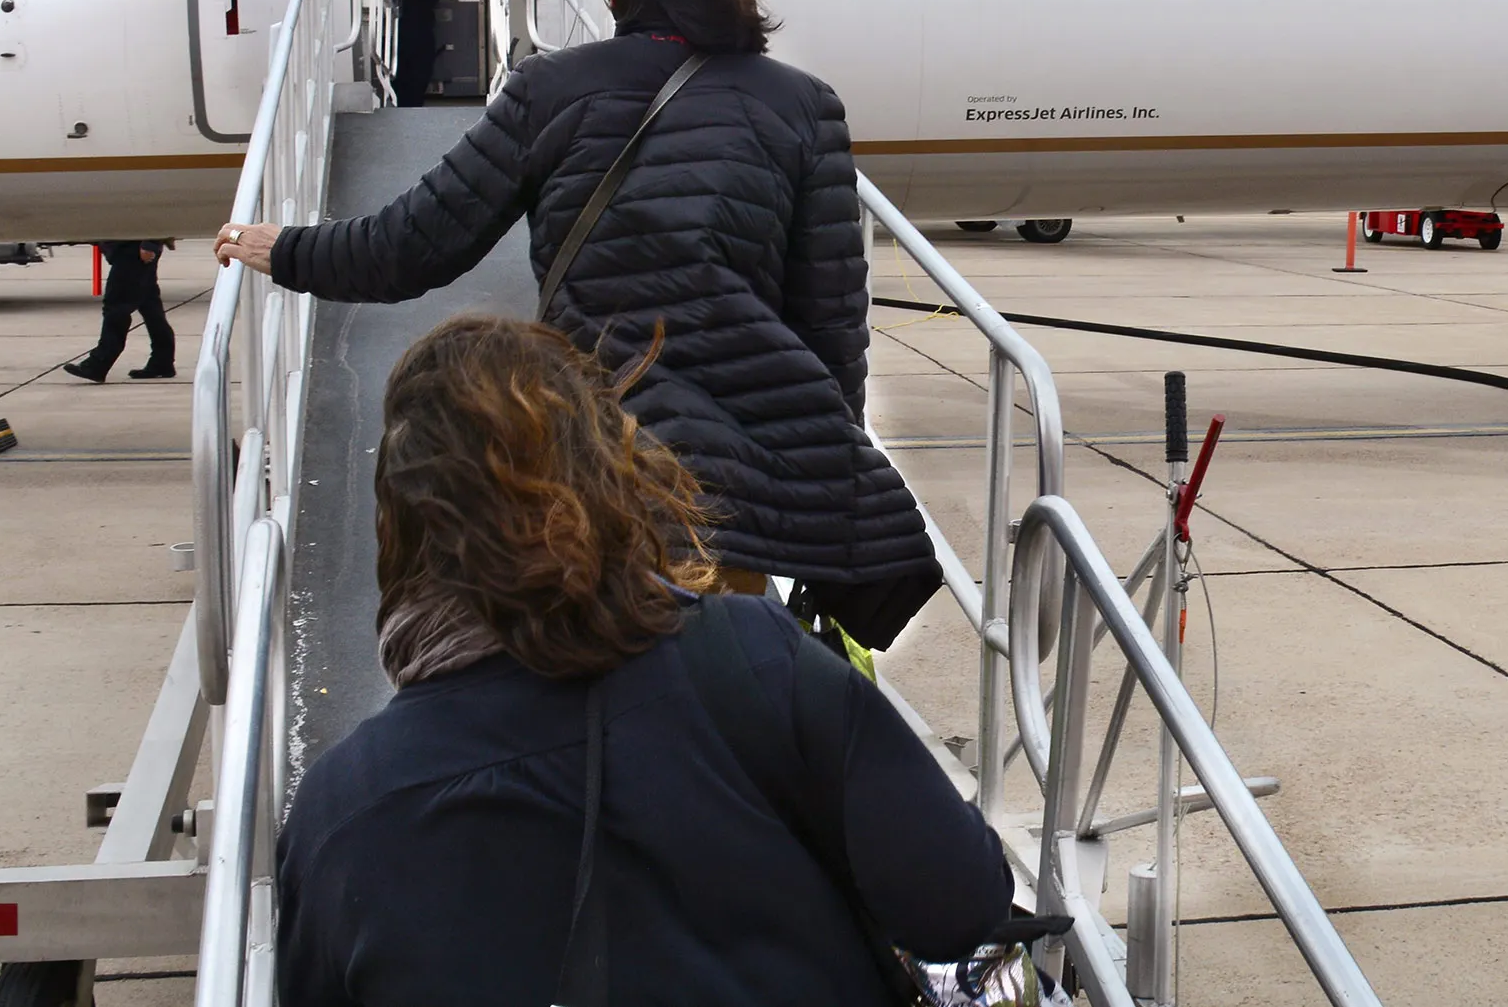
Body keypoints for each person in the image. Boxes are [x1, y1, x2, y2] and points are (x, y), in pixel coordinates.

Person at [214, 0, 942, 649]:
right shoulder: (805, 108)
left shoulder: (549, 91)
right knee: (727, 709)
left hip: (596, 475)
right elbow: (833, 337)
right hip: (736, 508)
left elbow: (411, 246)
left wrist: (282, 248)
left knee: (604, 700)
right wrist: (818, 486)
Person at [274, 315, 1014, 1006]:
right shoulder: (749, 661)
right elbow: (962, 903)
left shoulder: (343, 812)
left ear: (395, 533)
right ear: (610, 478)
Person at [65, 240, 174, 382]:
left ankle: (99, 362)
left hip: (132, 248)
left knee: (116, 305)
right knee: (149, 305)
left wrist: (150, 243)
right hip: (132, 247)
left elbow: (147, 217)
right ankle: (162, 361)